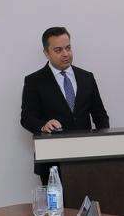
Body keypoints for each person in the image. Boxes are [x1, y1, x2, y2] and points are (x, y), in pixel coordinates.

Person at [19, 26, 110, 179]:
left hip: (87, 159)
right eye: (58, 50)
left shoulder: (86, 77)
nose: (65, 54)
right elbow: (26, 118)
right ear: (46, 53)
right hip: (52, 163)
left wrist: (105, 147)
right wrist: (43, 125)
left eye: (68, 48)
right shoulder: (34, 81)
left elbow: (100, 115)